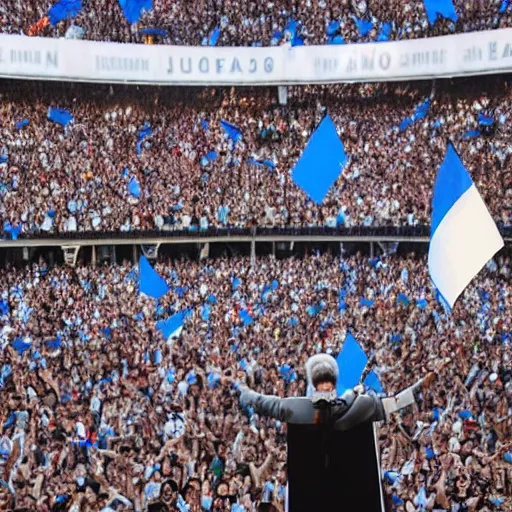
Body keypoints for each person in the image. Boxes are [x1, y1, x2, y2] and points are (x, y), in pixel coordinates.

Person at [226, 353, 438, 430]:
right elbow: (395, 402)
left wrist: (240, 387)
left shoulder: (297, 408)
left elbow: (262, 402)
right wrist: (420, 386)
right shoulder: (362, 404)